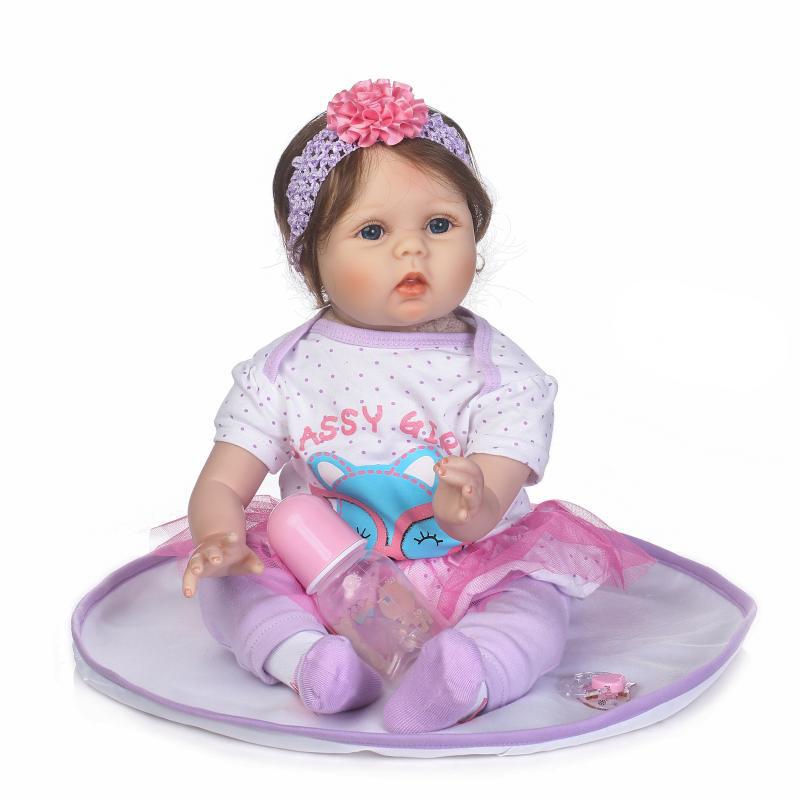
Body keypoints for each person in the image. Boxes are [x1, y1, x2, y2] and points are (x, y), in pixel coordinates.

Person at [151, 78, 656, 734]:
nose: (412, 248)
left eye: (440, 225)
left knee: (533, 601)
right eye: (373, 231)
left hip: (467, 568)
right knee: (237, 586)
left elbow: (490, 498)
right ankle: (311, 661)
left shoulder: (500, 373)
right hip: (323, 571)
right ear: (310, 260)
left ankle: (470, 673)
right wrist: (219, 537)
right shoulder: (283, 370)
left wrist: (470, 504)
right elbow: (225, 480)